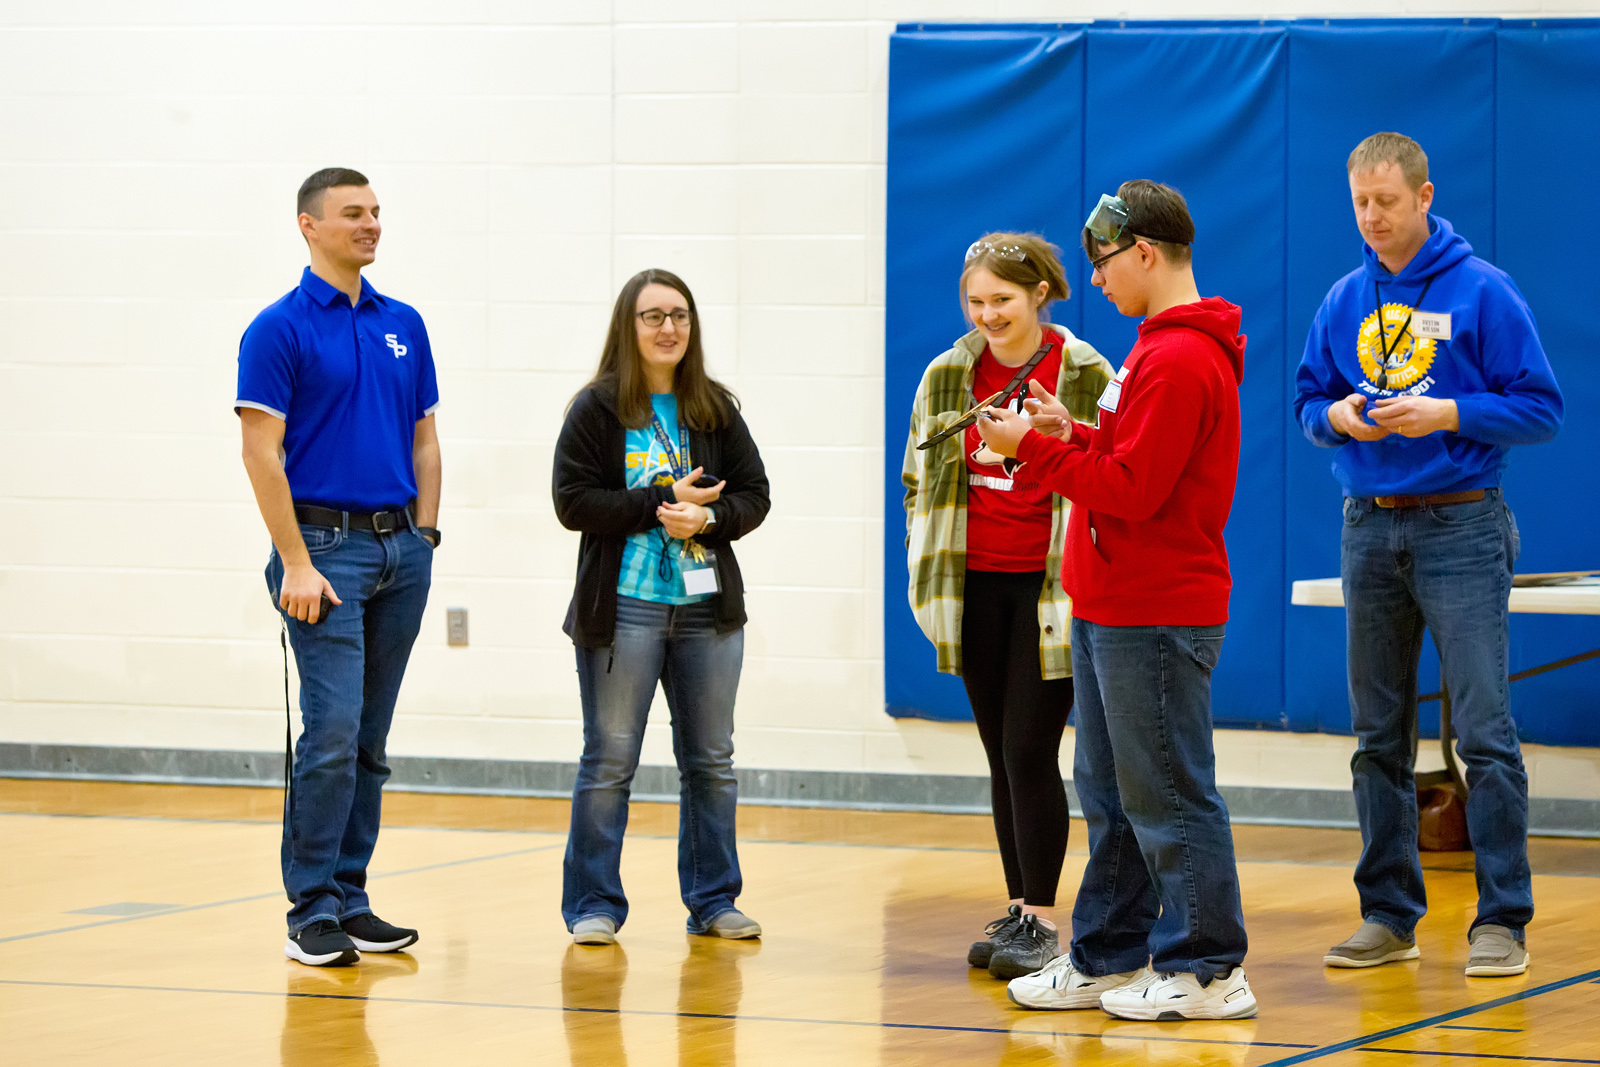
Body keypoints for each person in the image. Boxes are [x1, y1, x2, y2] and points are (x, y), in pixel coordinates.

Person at [977, 181, 1257, 1020]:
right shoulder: (1153, 349)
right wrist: (1072, 435)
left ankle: (1208, 966)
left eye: (1102, 263)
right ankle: (1108, 951)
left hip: (1156, 607)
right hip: (1111, 602)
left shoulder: (1178, 357)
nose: (1093, 280)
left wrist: (1033, 449)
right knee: (1110, 792)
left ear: (1143, 253)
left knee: (1168, 792)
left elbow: (1135, 492)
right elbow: (1132, 458)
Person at [1294, 133, 1563, 978]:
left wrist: (1448, 413)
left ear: (1423, 196)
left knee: (1483, 730)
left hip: (1462, 527)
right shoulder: (1343, 298)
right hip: (1368, 526)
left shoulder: (1484, 290)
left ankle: (1502, 917)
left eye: (1385, 201)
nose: (1372, 218)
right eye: (1359, 204)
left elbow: (1540, 408)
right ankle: (1387, 913)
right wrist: (1339, 420)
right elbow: (1308, 399)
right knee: (1377, 735)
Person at [237, 167, 442, 967]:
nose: (371, 225)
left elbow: (425, 436)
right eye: (353, 213)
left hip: (401, 552)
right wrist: (294, 559)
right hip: (321, 555)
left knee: (371, 740)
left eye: (377, 212)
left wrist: (423, 535)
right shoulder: (278, 329)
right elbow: (260, 450)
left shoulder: (405, 323)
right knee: (329, 733)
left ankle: (352, 897)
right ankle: (310, 908)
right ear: (308, 226)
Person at [903, 232, 1113, 980]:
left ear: (1040, 296)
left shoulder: (1085, 371)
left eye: (1003, 300)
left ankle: (1045, 919)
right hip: (972, 583)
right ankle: (1020, 907)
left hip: (1052, 586)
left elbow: (1112, 467)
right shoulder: (948, 373)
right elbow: (916, 474)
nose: (988, 314)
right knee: (999, 752)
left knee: (1030, 747)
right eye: (977, 301)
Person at [553, 268, 771, 946]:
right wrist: (658, 502)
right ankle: (593, 904)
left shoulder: (714, 409)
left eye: (678, 315)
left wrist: (706, 523)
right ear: (630, 326)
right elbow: (573, 503)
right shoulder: (596, 408)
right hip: (624, 610)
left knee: (711, 759)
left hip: (707, 611)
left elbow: (755, 497)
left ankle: (713, 900)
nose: (668, 328)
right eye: (653, 316)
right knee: (610, 758)